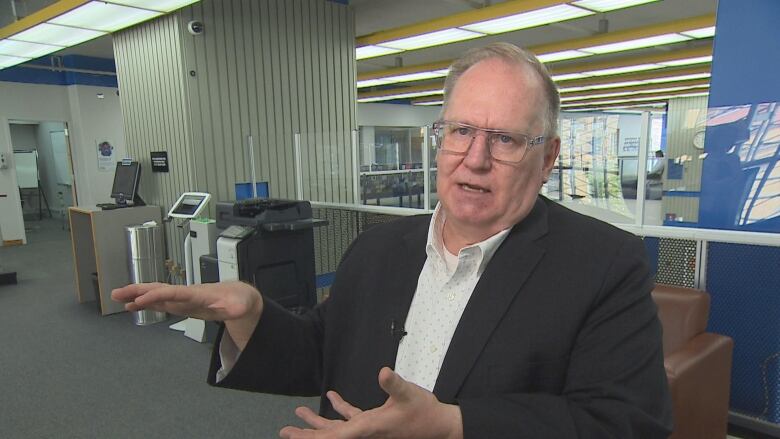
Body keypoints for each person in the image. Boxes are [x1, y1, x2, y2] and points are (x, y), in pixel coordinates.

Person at [113, 42, 672, 438]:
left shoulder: (602, 265)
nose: (474, 159)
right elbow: (323, 355)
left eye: (503, 139)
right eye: (460, 131)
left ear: (547, 156)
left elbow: (626, 422)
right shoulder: (380, 248)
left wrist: (455, 427)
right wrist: (252, 316)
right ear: (440, 137)